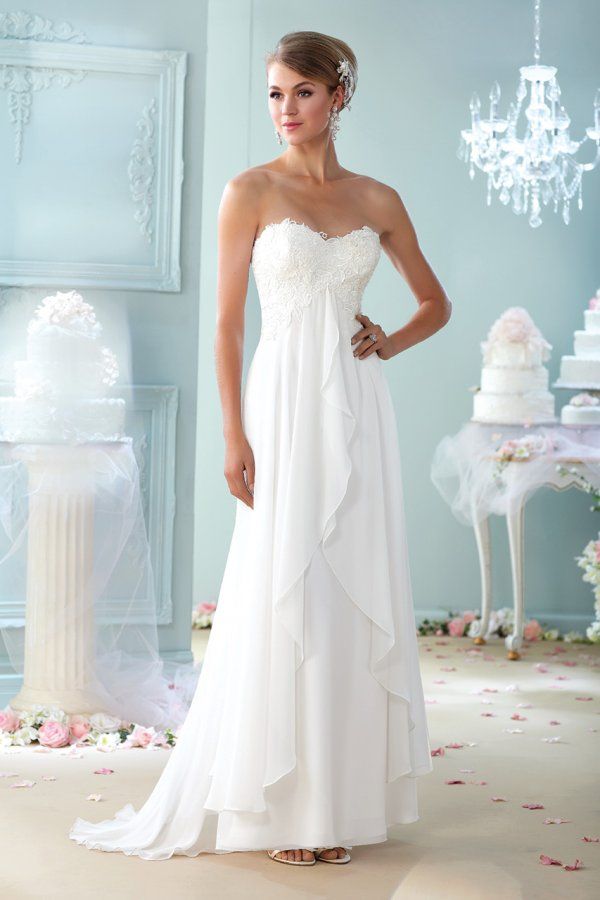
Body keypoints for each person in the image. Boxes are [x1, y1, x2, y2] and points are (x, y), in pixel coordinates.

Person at [69, 29, 451, 867]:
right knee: (288, 588)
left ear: (338, 97)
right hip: (279, 408)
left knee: (347, 595)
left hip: (354, 409)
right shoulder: (248, 191)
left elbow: (435, 303)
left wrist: (386, 344)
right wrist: (234, 434)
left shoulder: (377, 200)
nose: (285, 110)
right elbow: (228, 326)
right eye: (275, 94)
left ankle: (336, 803)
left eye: (302, 93)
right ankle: (283, 808)